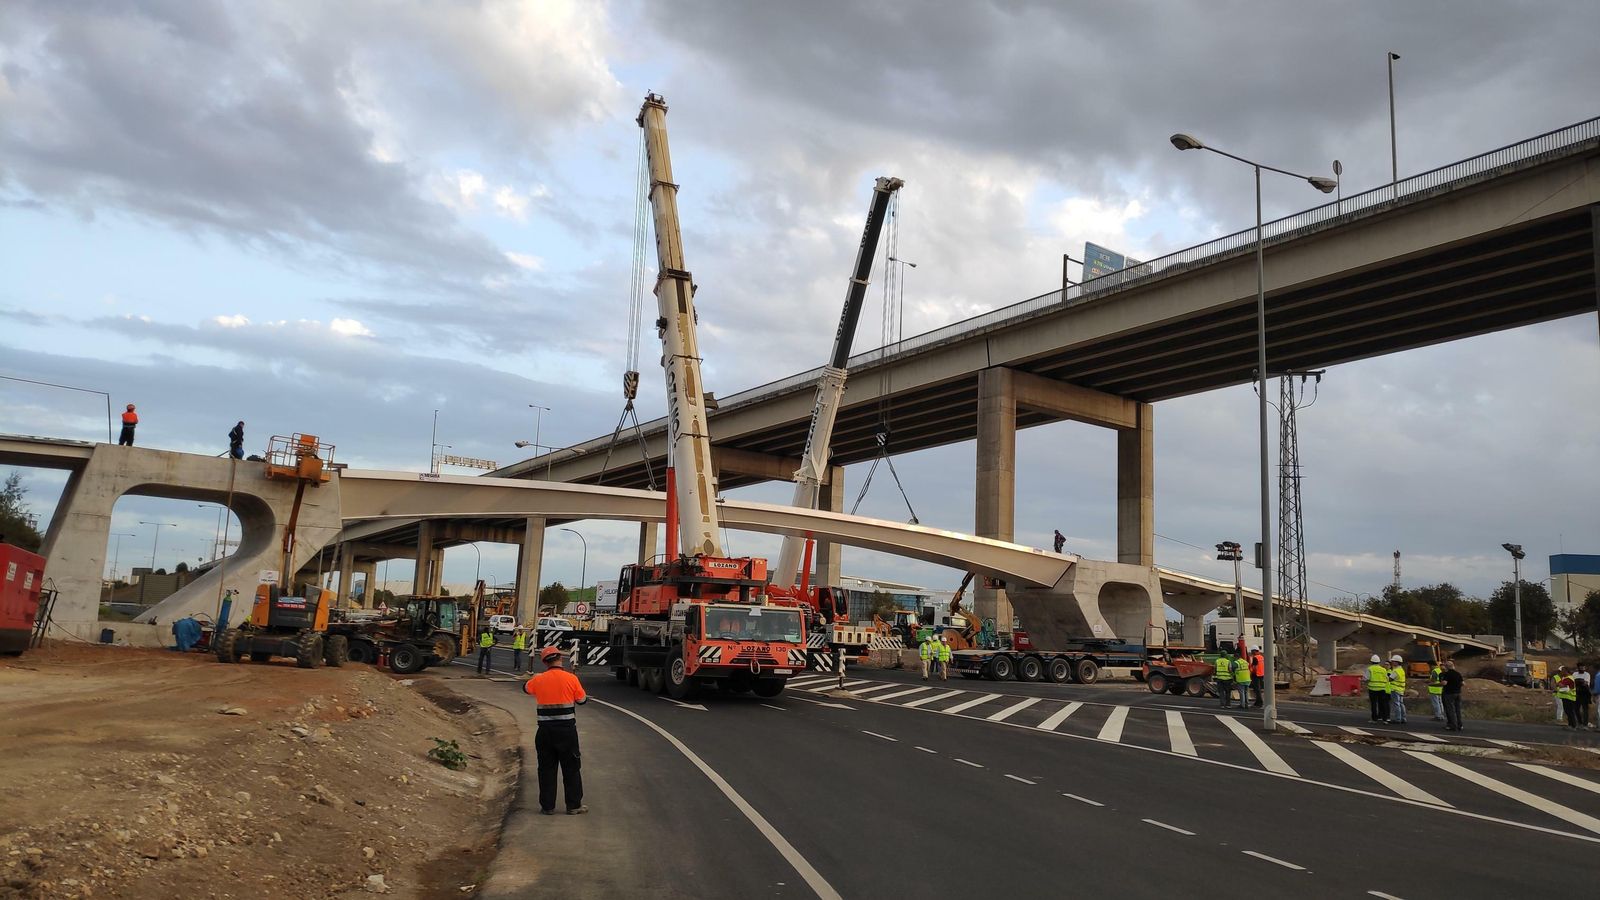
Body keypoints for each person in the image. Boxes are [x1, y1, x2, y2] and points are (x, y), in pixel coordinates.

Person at [524, 645, 587, 815]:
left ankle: (547, 806)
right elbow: (582, 700)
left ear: (545, 662)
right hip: (566, 731)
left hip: (545, 732)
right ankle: (573, 806)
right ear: (561, 659)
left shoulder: (539, 679)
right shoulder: (571, 678)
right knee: (571, 768)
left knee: (546, 769)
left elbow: (526, 688)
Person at [1363, 654, 1391, 723]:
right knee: (1383, 704)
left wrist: (1363, 680)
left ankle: (1374, 719)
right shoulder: (1383, 669)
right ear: (1379, 661)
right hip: (1382, 689)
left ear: (1371, 661)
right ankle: (1385, 719)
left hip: (1373, 689)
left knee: (1374, 704)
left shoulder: (1370, 669)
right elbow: (1387, 679)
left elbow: (1366, 678)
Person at [1440, 659, 1464, 731]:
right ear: (1453, 666)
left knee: (1450, 710)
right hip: (1458, 693)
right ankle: (1460, 724)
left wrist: (1439, 683)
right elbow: (1463, 683)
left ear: (1447, 667)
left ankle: (1453, 725)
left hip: (1449, 693)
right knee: (1458, 709)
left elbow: (1444, 683)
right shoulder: (1458, 674)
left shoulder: (1447, 674)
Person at [1387, 654, 1408, 724]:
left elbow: (1390, 679)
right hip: (1401, 689)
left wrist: (1386, 676)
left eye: (1393, 661)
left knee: (1396, 704)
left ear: (1397, 662)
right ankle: (1403, 718)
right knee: (1401, 704)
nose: (1392, 662)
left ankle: (1398, 719)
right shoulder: (1401, 670)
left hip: (1395, 689)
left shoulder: (1396, 671)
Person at [1574, 664, 1593, 730]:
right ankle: (1580, 723)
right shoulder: (1575, 674)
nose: (1582, 668)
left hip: (1585, 693)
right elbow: (1573, 683)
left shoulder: (1587, 674)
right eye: (1581, 667)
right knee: (1576, 709)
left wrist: (1578, 681)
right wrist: (1580, 681)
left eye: (1583, 667)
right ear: (1578, 668)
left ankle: (1585, 724)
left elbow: (1585, 683)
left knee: (1585, 709)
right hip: (1577, 693)